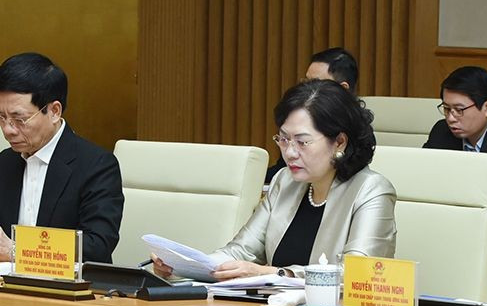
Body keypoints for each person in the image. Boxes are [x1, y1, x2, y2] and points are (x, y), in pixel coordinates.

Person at [153, 80, 394, 280]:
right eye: (283, 139)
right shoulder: (286, 181)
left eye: (302, 141)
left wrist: (271, 273)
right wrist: (187, 265)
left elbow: (356, 276)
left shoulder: (371, 190)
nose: (289, 152)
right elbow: (241, 251)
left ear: (339, 142)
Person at [0, 52, 124, 263]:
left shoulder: (96, 165)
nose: (8, 130)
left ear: (54, 111)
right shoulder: (6, 162)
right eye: (0, 117)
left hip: (70, 290)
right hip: (6, 287)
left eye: (19, 119)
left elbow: (96, 245)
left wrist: (17, 250)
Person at [266, 48, 360, 182]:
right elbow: (281, 170)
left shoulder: (357, 130)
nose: (307, 89)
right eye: (306, 82)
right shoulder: (300, 122)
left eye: (316, 83)